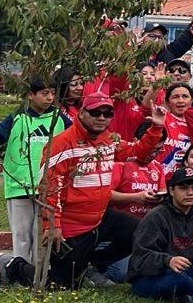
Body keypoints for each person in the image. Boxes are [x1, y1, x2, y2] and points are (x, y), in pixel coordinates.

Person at [38, 92, 166, 288]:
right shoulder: (61, 144)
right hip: (72, 224)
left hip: (100, 218)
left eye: (107, 113)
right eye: (96, 112)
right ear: (81, 113)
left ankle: (91, 265)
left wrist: (156, 126)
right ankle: (12, 266)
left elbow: (137, 152)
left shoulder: (109, 140)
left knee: (141, 232)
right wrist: (52, 225)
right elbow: (49, 188)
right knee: (60, 285)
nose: (102, 118)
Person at [0, 78, 71, 286]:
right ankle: (20, 275)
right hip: (19, 186)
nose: (49, 98)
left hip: (48, 188)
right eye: (44, 93)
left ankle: (39, 278)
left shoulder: (60, 119)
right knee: (21, 236)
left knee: (41, 238)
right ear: (31, 94)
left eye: (52, 93)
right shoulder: (18, 117)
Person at [128, 167, 193, 303]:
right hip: (153, 276)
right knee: (178, 280)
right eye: (183, 188)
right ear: (171, 190)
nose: (190, 193)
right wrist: (168, 260)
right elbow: (140, 257)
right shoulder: (156, 216)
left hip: (189, 270)